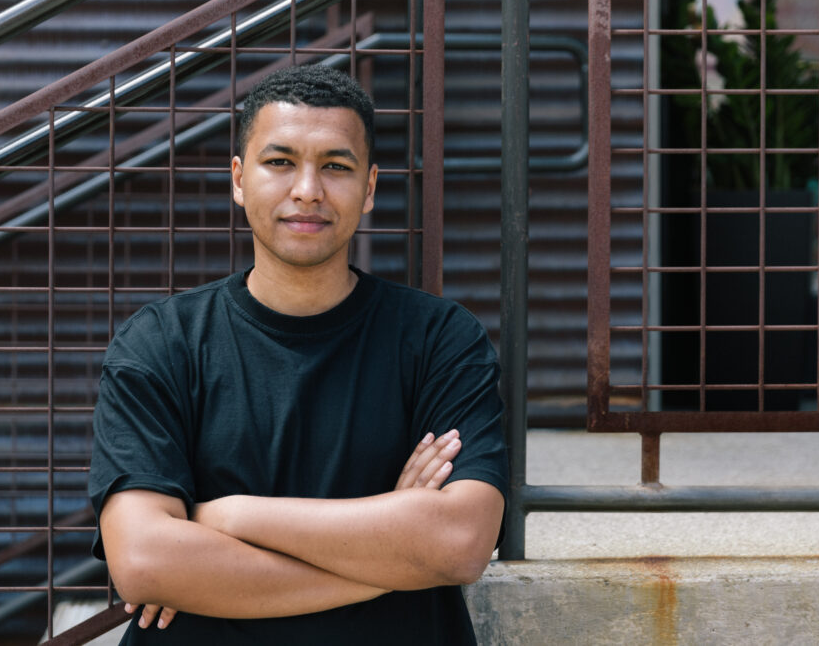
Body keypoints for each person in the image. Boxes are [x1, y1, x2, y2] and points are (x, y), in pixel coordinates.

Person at [88, 64, 508, 645]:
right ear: (238, 179)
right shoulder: (161, 343)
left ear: (369, 188)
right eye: (280, 162)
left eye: (335, 166)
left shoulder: (439, 338)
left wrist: (228, 516)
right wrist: (394, 554)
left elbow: (461, 543)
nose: (307, 189)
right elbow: (143, 561)